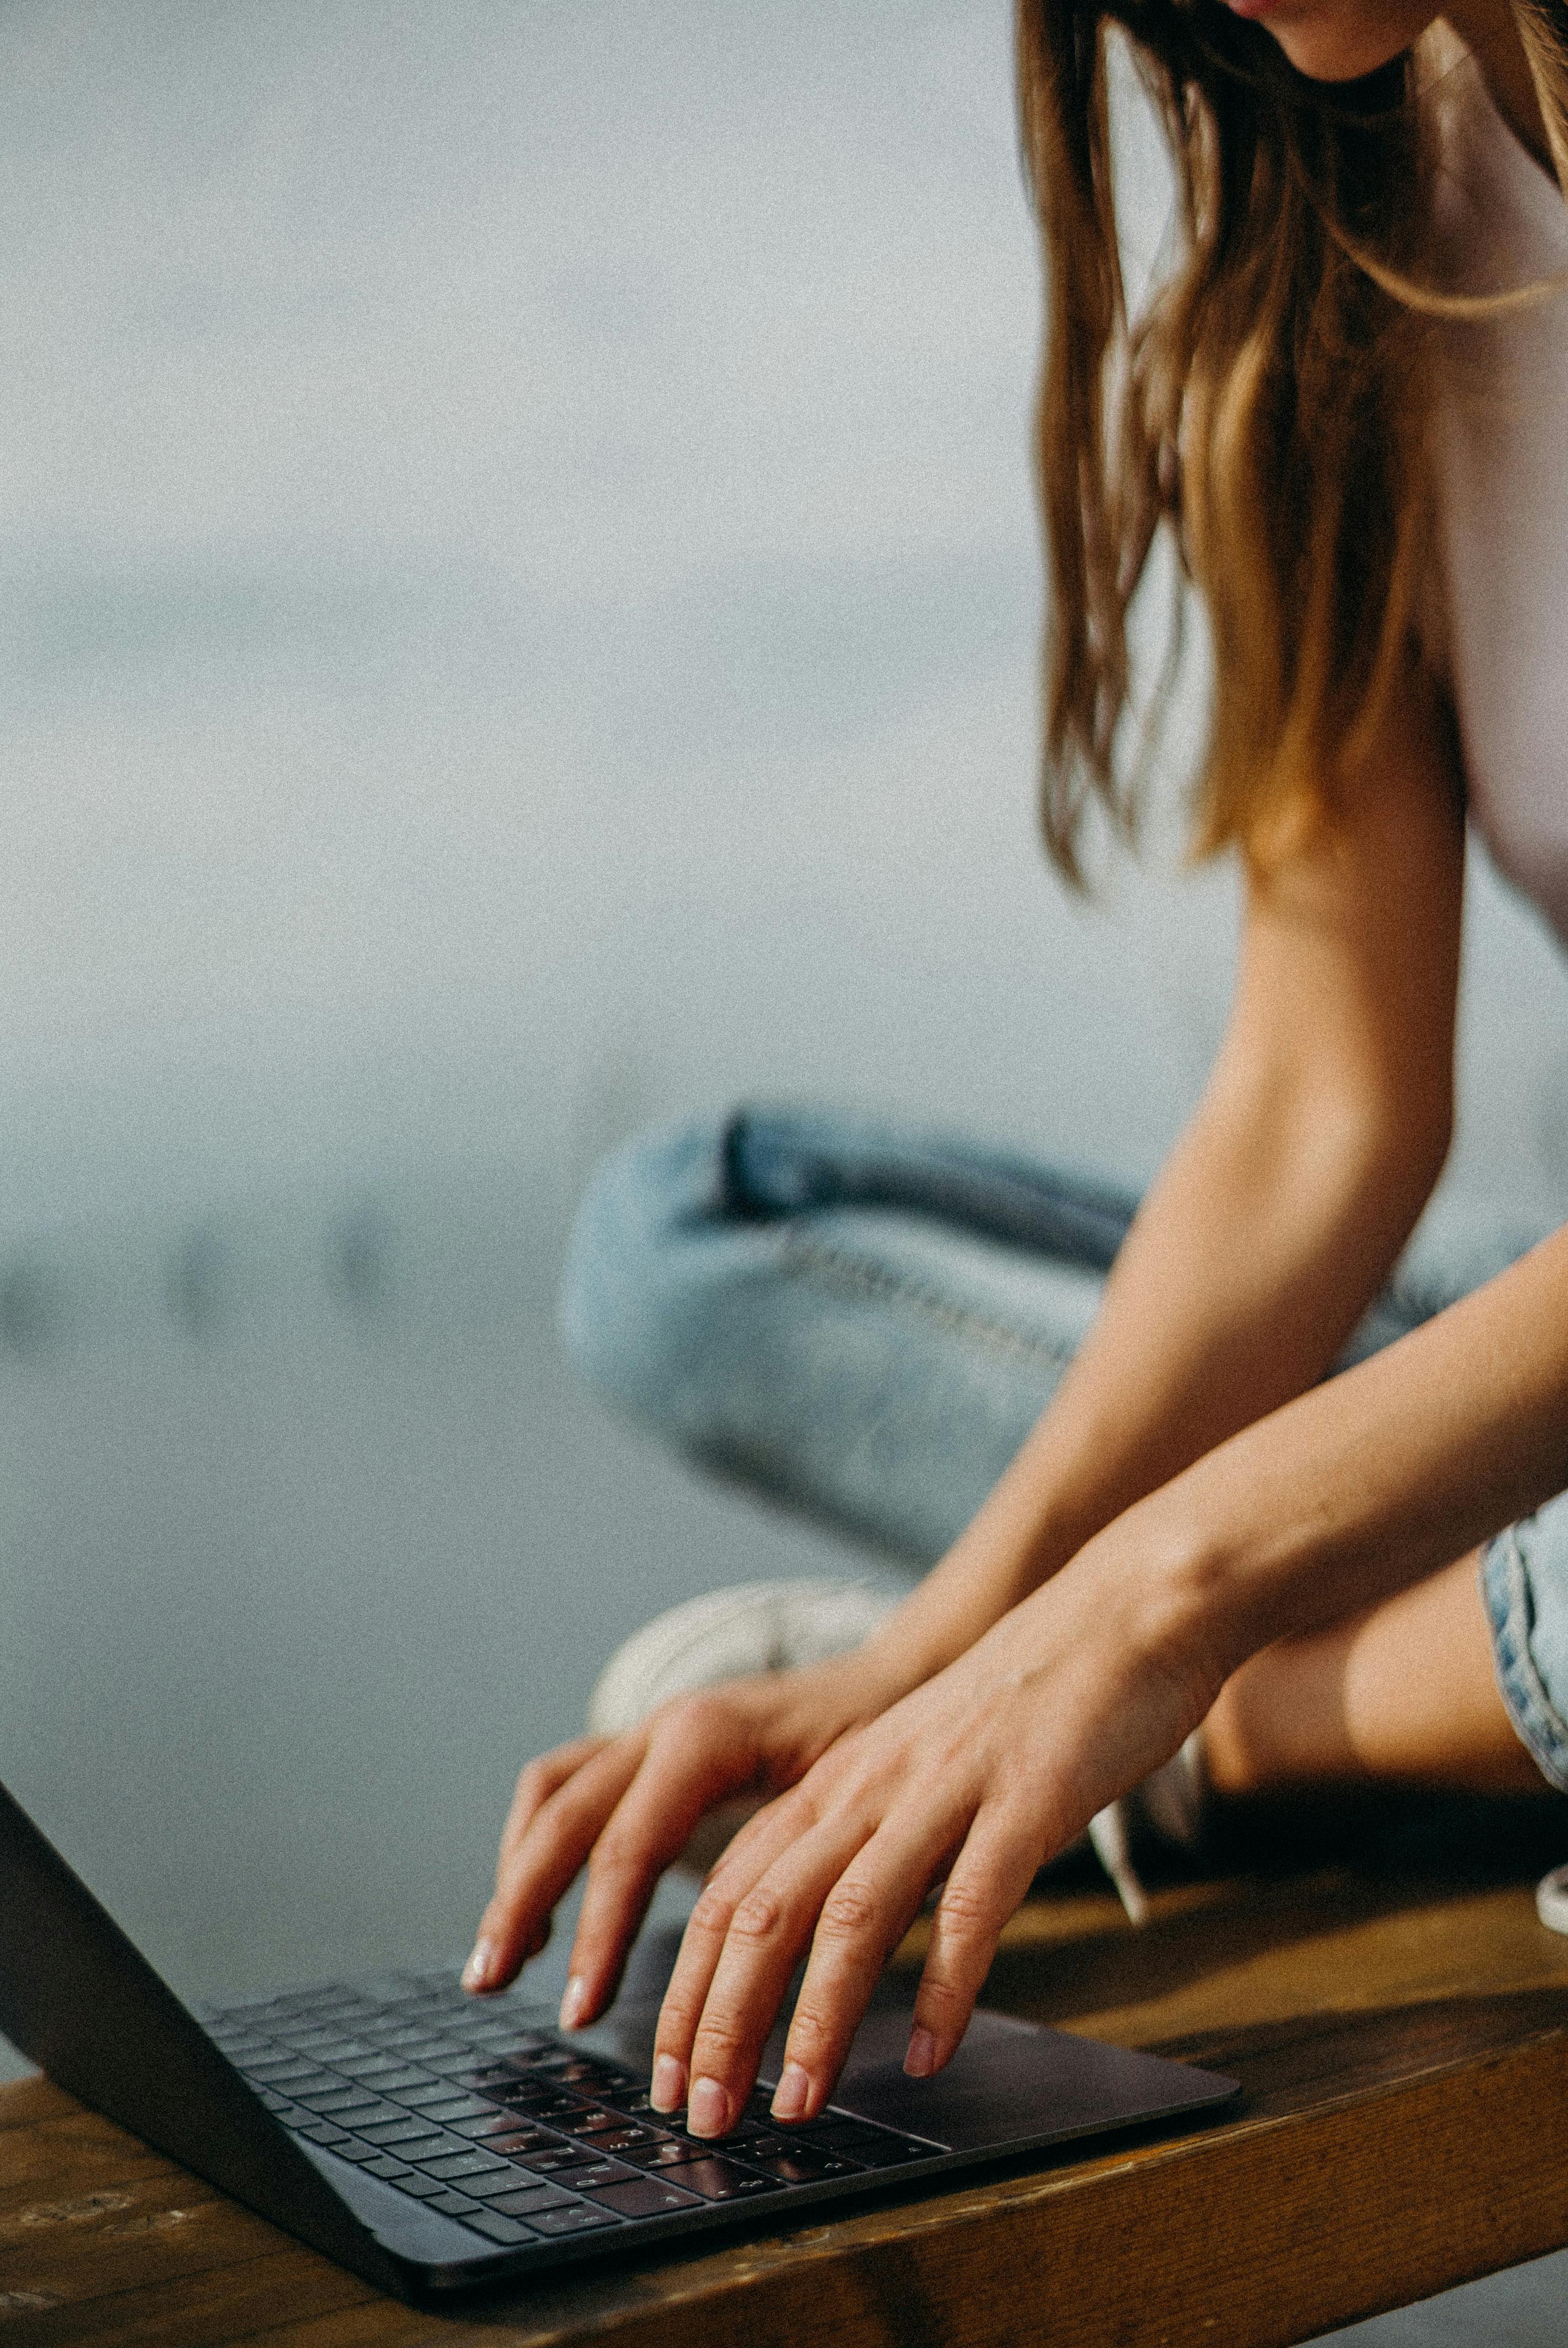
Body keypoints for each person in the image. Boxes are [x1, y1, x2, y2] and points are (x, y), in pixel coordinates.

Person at [466, 0, 1568, 2145]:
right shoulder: (1338, 247)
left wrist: (1157, 1618)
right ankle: (1437, 1669)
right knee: (678, 1251)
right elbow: (1327, 1106)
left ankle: (1257, 1741)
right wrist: (962, 1643)